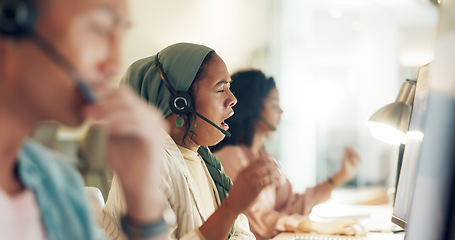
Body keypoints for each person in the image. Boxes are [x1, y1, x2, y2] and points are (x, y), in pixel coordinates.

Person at [0, 0, 168, 239]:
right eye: (99, 29)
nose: (116, 65)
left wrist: (143, 201)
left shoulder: (61, 188)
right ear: (11, 19)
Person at [103, 43, 282, 240]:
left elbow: (242, 234)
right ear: (181, 103)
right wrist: (231, 208)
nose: (233, 99)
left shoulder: (206, 161)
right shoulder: (147, 167)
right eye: (220, 89)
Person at [211, 70, 364, 239]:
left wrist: (340, 177)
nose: (281, 112)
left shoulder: (264, 157)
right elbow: (255, 221)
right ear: (254, 108)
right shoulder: (231, 158)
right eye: (274, 104)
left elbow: (290, 206)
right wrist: (310, 225)